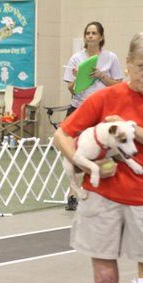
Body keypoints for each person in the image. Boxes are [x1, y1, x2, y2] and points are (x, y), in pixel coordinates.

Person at [53, 32, 143, 283]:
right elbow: (63, 134)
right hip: (103, 198)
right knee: (105, 279)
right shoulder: (107, 97)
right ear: (129, 65)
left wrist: (134, 133)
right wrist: (81, 162)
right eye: (141, 67)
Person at [62, 21, 123, 211]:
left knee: (104, 151)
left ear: (101, 37)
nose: (90, 36)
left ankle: (103, 191)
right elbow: (71, 89)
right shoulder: (76, 58)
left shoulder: (110, 58)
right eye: (87, 33)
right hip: (79, 109)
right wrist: (81, 76)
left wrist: (101, 76)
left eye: (94, 33)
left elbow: (118, 86)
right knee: (74, 152)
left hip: (103, 110)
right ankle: (73, 194)